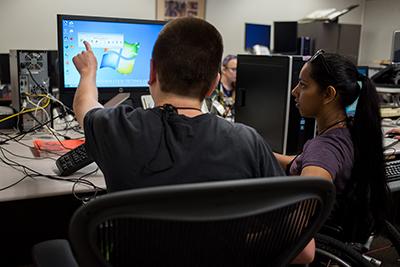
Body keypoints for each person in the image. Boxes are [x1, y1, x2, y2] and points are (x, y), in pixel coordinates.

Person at [72, 17, 314, 264]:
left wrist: (88, 72)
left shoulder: (117, 128)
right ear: (214, 85)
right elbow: (305, 251)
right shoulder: (247, 141)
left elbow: (84, 105)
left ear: (152, 71)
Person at [274, 50, 389, 243]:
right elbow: (304, 163)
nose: (295, 91)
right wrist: (257, 149)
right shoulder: (349, 131)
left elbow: (310, 195)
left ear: (328, 94)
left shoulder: (324, 148)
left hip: (312, 245)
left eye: (303, 85)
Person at [210, 54, 237, 120]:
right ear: (224, 70)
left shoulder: (238, 89)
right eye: (233, 69)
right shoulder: (215, 88)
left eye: (238, 69)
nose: (236, 72)